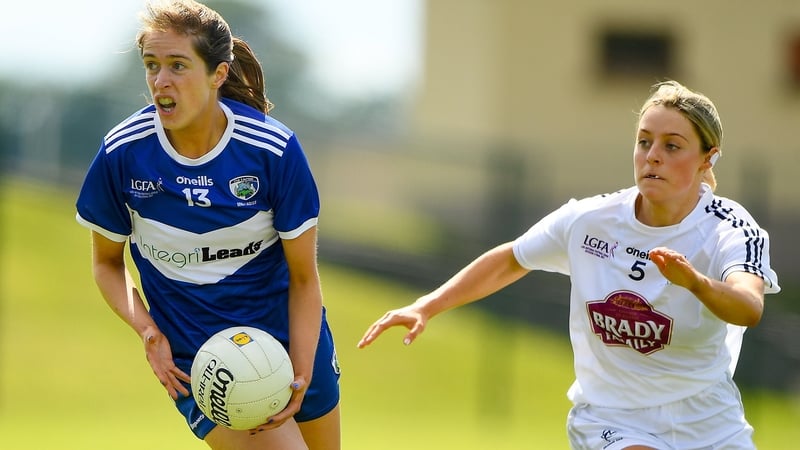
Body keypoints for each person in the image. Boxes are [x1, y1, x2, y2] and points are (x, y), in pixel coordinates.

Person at [358, 80, 780, 449]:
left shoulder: (731, 229)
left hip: (709, 422)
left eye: (672, 145)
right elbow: (511, 258)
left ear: (708, 159)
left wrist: (695, 283)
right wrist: (427, 305)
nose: (652, 156)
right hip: (612, 418)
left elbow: (748, 306)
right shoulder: (589, 220)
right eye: (644, 141)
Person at [74, 1, 340, 449]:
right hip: (203, 359)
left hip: (290, 339)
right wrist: (148, 330)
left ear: (217, 74)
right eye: (152, 65)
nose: (161, 81)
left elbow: (302, 277)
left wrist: (300, 369)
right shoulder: (123, 152)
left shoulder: (272, 151)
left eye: (178, 65)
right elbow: (106, 263)